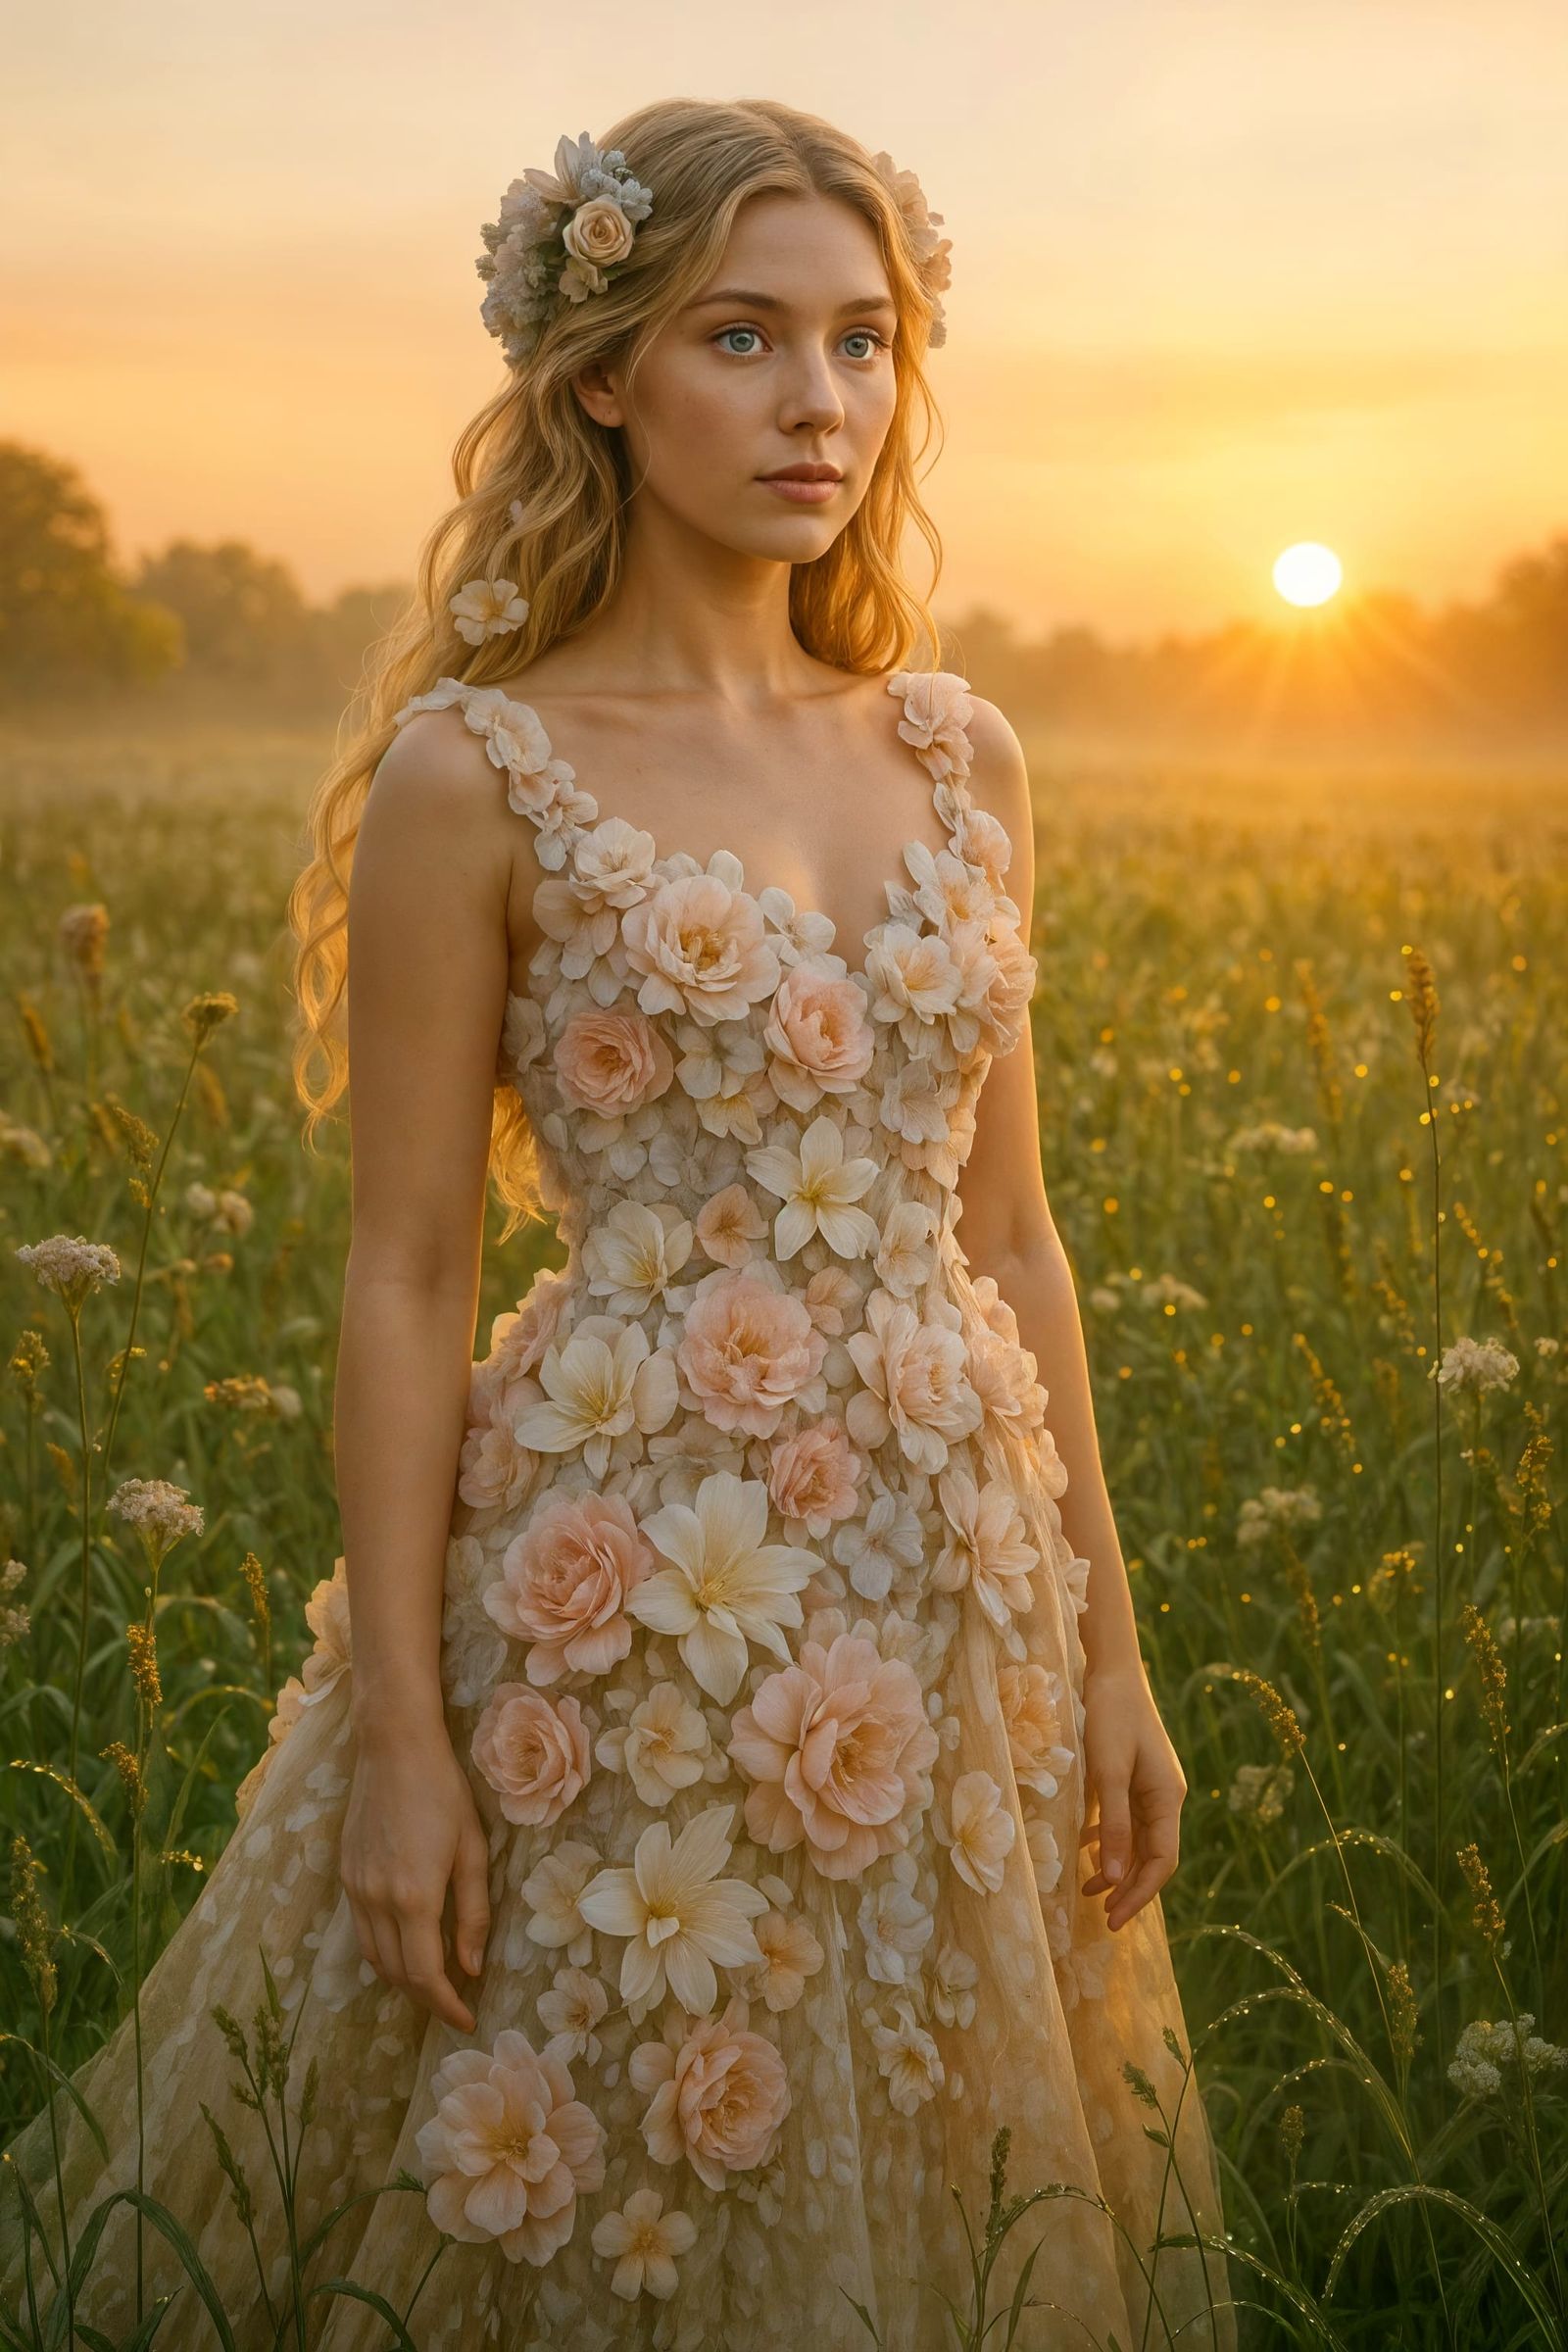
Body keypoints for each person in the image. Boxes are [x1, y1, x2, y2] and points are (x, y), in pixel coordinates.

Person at [2, 95, 1236, 2352]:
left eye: (861, 341)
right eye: (740, 337)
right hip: (624, 1592)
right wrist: (401, 1734)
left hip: (956, 1570)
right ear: (598, 376)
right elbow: (407, 1274)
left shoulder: (960, 757)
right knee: (612, 2168)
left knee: (936, 2181)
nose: (816, 402)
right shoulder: (477, 770)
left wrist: (1111, 1655)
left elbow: (1010, 1233)